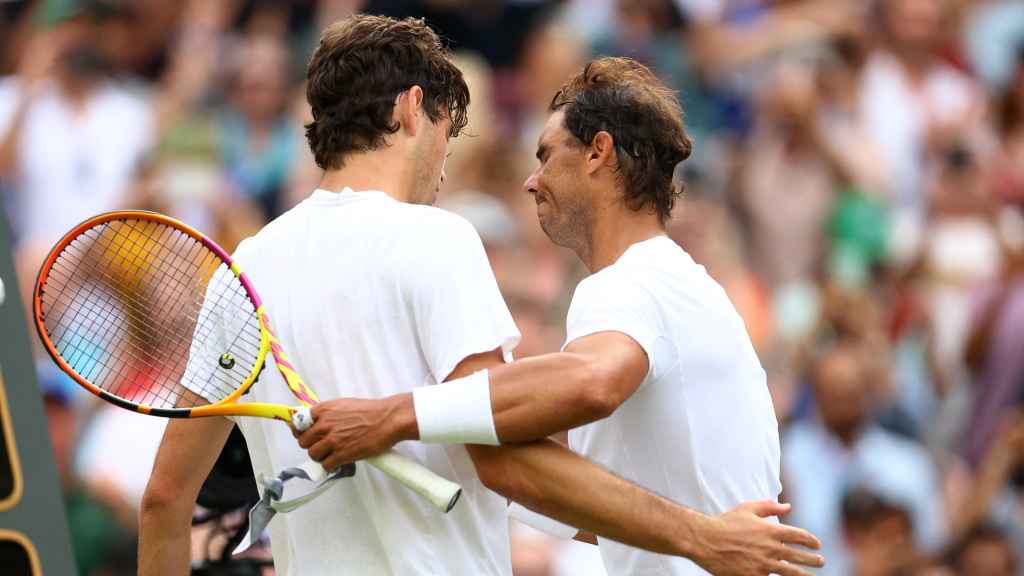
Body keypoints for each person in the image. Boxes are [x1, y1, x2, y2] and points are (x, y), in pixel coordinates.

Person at [140, 16, 823, 576]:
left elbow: (167, 500)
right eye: (447, 132)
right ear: (413, 110)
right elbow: (504, 463)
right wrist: (700, 535)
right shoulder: (437, 238)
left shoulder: (245, 267)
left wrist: (394, 420)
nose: (445, 166)